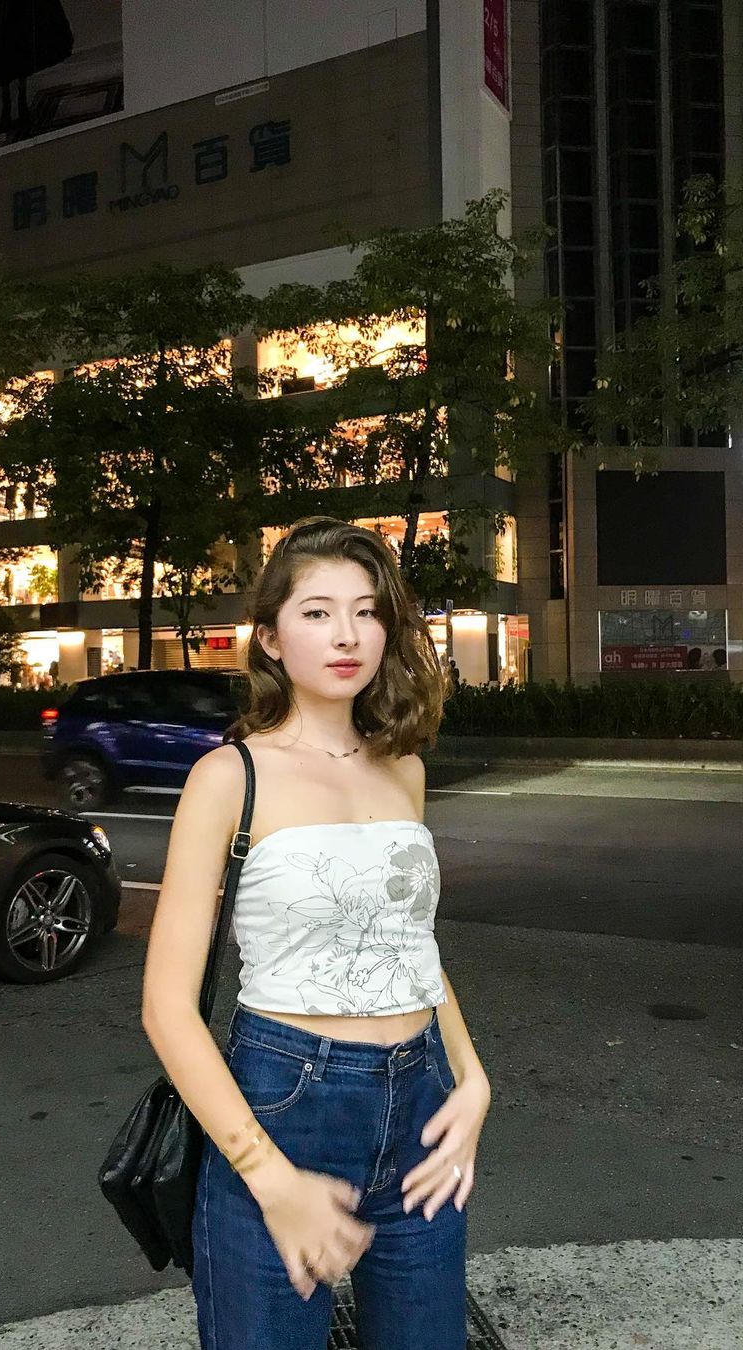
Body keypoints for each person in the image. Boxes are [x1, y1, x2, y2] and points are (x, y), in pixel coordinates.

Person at [142, 517, 492, 1350]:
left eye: (367, 612)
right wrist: (270, 1178)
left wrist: (473, 1079)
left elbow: (411, 944)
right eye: (317, 612)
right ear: (269, 637)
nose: (347, 635)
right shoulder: (229, 776)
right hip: (285, 1103)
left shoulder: (403, 767)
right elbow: (166, 1007)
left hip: (422, 1100)